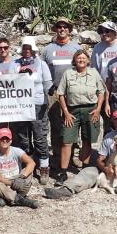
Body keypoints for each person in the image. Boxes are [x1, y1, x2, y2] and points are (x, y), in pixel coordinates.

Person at [44, 109, 117, 205]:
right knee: (90, 169)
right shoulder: (109, 137)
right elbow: (100, 159)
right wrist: (105, 169)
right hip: (112, 170)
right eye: (116, 120)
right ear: (113, 121)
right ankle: (67, 189)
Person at [55, 48, 105, 181]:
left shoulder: (94, 73)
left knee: (87, 140)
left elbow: (101, 92)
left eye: (84, 58)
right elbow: (60, 94)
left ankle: (85, 168)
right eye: (78, 58)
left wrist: (99, 108)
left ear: (88, 60)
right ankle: (63, 171)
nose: (81, 60)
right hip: (72, 111)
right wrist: (65, 112)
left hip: (91, 110)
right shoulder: (68, 73)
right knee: (67, 141)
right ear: (75, 60)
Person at [13, 36, 53, 184]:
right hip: (21, 105)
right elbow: (7, 80)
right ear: (22, 50)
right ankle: (28, 166)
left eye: (29, 48)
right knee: (23, 138)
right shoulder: (14, 64)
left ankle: (44, 167)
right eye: (25, 48)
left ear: (33, 49)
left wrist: (51, 90)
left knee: (39, 137)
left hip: (38, 104)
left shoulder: (41, 64)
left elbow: (47, 83)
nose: (27, 51)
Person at [41, 17, 79, 172]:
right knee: (56, 125)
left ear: (69, 29)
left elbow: (83, 68)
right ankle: (57, 157)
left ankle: (74, 155)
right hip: (54, 92)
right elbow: (42, 70)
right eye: (59, 27)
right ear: (55, 29)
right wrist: (48, 87)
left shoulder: (76, 48)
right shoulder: (48, 50)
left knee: (73, 123)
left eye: (65, 27)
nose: (62, 29)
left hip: (72, 92)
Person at [0, 127, 39, 209]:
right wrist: (11, 184)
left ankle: (7, 198)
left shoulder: (17, 151)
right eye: (2, 139)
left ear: (11, 140)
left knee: (29, 173)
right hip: (4, 183)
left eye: (7, 139)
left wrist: (22, 176)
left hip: (18, 180)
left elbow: (31, 163)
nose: (5, 141)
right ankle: (21, 200)